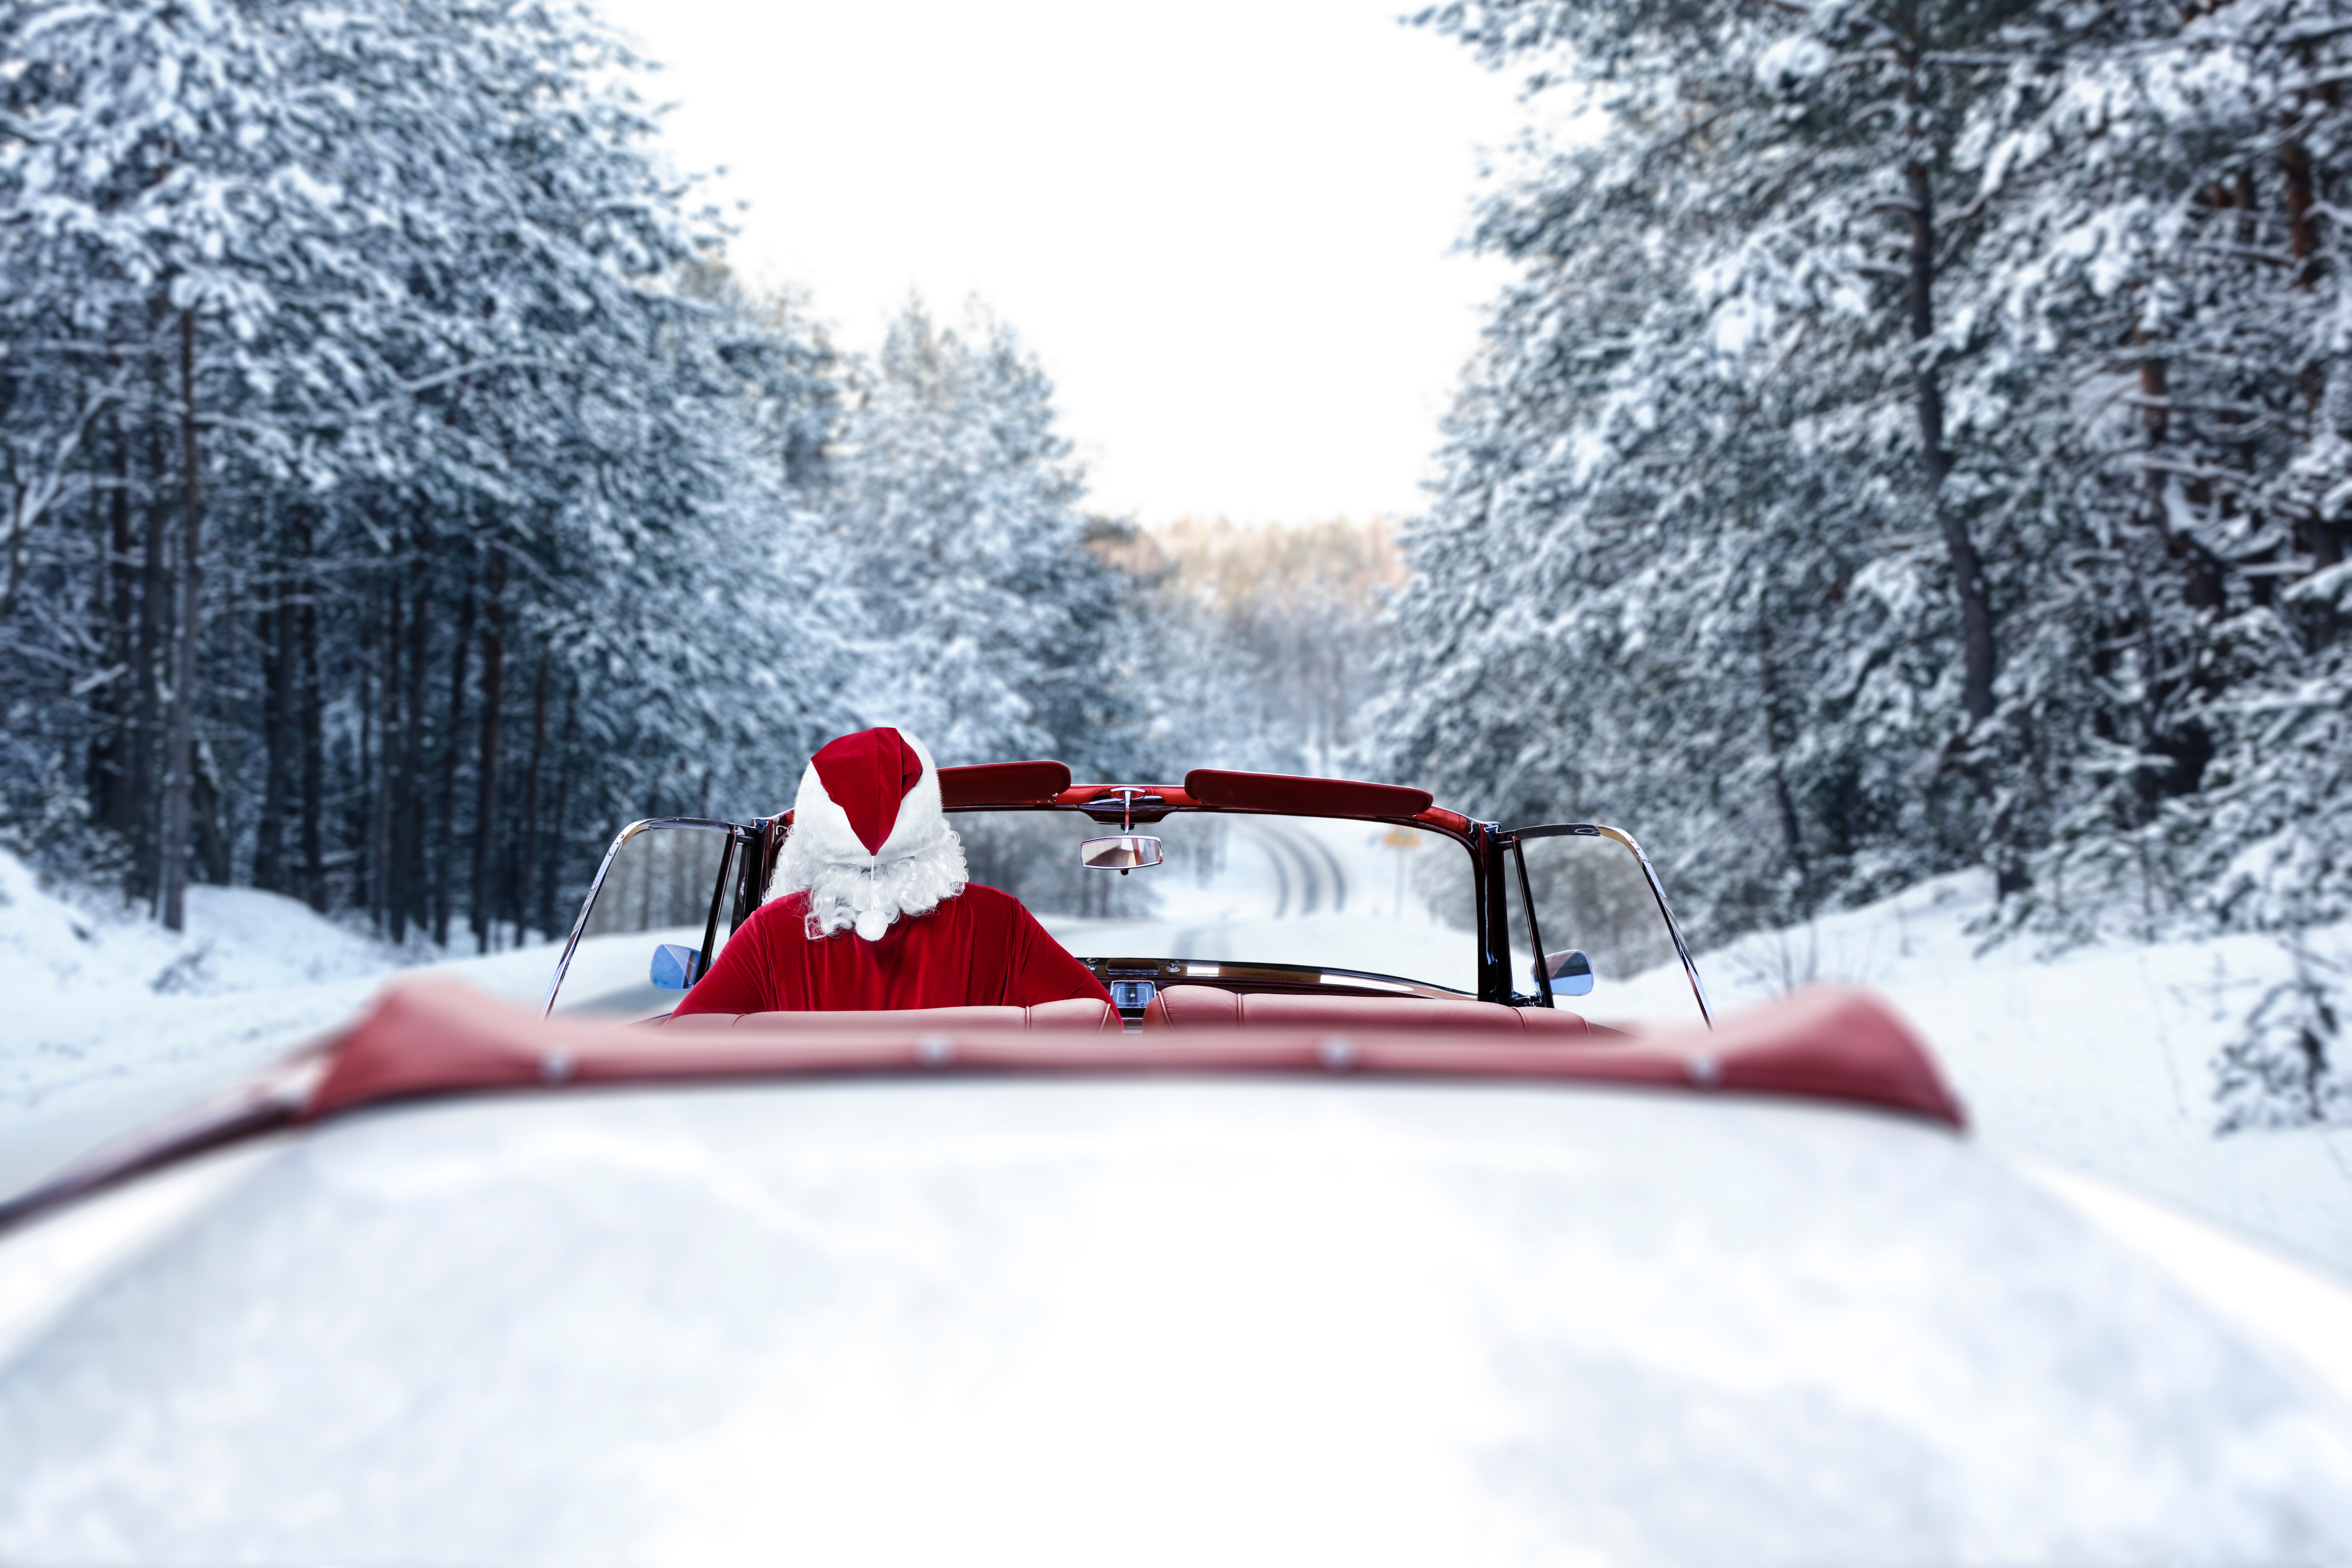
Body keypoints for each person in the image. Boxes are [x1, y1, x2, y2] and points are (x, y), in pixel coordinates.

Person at [671, 727, 1113, 1015]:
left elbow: (684, 1050)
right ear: (930, 827)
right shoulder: (1000, 921)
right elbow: (1098, 1025)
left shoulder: (770, 933)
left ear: (812, 836)